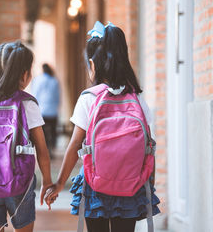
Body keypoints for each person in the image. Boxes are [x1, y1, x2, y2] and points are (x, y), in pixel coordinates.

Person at [44, 22, 160, 232]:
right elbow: (148, 146)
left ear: (92, 64)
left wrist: (59, 183)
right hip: (131, 185)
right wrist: (148, 184)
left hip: (95, 185)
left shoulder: (89, 98)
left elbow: (74, 145)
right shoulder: (137, 97)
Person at [0, 41, 53, 232]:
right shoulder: (27, 104)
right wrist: (47, 181)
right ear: (24, 75)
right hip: (18, 183)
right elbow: (42, 149)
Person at [31, 63, 60, 158]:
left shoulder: (38, 80)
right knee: (52, 131)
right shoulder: (54, 81)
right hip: (52, 111)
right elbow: (57, 97)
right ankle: (51, 149)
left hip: (41, 111)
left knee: (42, 133)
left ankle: (44, 151)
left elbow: (35, 94)